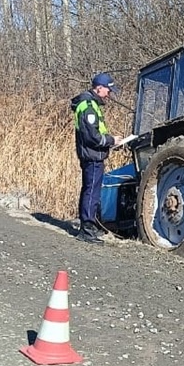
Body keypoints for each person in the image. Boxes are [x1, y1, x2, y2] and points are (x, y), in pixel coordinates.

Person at [70, 72, 119, 243]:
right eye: (108, 90)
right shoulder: (88, 106)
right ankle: (87, 229)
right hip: (92, 156)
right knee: (91, 191)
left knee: (91, 190)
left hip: (93, 155)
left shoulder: (89, 105)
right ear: (99, 88)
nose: (109, 94)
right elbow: (92, 136)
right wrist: (112, 140)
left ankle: (89, 226)